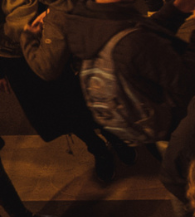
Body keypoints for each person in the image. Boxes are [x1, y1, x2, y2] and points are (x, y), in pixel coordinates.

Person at [24, 0, 195, 146]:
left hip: (152, 111)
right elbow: (186, 80)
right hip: (185, 119)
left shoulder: (88, 16)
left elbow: (141, 34)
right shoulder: (132, 42)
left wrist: (176, 10)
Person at [0, 0, 127, 190]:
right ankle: (98, 149)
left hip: (55, 37)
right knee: (58, 111)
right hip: (14, 57)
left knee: (84, 96)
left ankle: (114, 134)